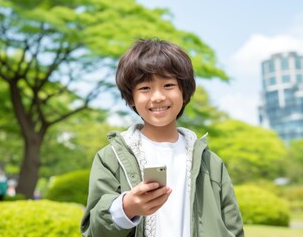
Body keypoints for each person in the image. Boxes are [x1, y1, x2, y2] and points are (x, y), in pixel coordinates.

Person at [81, 38, 244, 237]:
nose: (157, 96)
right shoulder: (110, 157)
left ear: (184, 92)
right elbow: (93, 231)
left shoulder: (211, 163)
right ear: (131, 98)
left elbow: (233, 228)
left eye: (168, 85)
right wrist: (127, 208)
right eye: (145, 88)